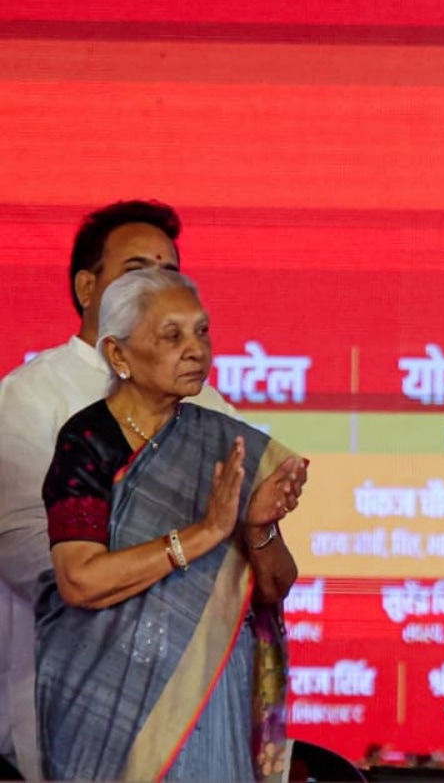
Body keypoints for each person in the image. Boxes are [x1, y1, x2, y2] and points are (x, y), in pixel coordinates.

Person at [33, 268, 305, 780]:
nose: (196, 349)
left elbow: (274, 585)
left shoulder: (225, 444)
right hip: (105, 707)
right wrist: (201, 535)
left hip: (207, 700)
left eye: (202, 331)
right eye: (172, 335)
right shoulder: (87, 442)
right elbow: (79, 579)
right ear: (118, 355)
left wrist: (256, 529)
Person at [0, 201, 236, 780]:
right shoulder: (32, 397)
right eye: (137, 270)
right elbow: (32, 554)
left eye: (170, 272)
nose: (157, 284)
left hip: (193, 695)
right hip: (80, 690)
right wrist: (181, 550)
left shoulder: (208, 406)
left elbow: (242, 546)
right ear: (88, 287)